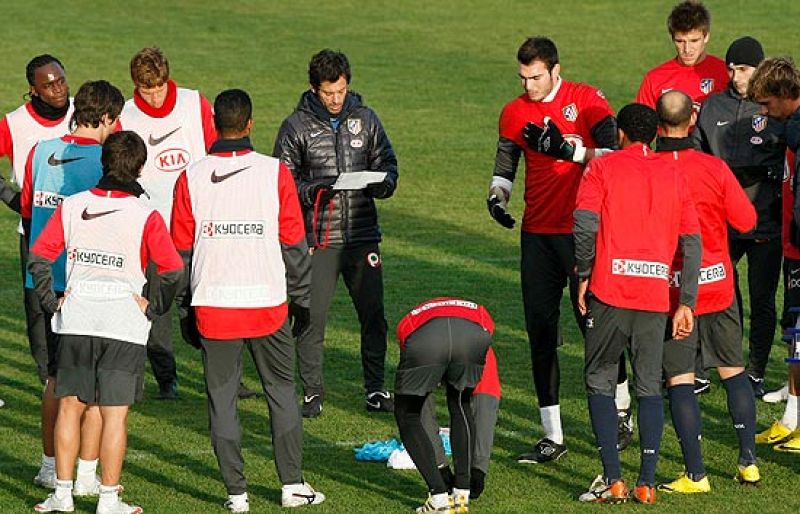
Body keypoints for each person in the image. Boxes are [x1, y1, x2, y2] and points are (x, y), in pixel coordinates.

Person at [172, 89, 325, 511]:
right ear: (251, 123)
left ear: (215, 126)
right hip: (268, 305)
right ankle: (292, 486)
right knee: (281, 393)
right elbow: (295, 243)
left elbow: (179, 252)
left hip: (214, 307)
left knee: (221, 400)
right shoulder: (274, 173)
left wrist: (186, 307)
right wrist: (302, 299)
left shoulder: (191, 176)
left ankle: (236, 495)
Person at [29, 130, 182, 514]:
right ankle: (108, 499)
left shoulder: (72, 205)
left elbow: (39, 258)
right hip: (122, 324)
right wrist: (153, 307)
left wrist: (51, 301)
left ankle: (62, 495)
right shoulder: (146, 214)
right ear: (141, 168)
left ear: (103, 163)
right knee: (114, 413)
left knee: (69, 406)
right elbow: (173, 269)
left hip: (77, 318)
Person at [486, 36, 619, 463]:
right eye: (523, 78)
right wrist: (496, 197)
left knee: (595, 328)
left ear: (555, 71)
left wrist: (570, 150)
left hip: (584, 233)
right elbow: (506, 163)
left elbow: (617, 155)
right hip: (537, 236)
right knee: (540, 333)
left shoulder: (587, 101)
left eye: (536, 77)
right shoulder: (514, 111)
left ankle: (621, 412)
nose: (529, 86)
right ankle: (552, 434)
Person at [574, 103, 701, 504]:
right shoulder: (674, 174)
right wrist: (687, 302)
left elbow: (583, 223)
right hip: (653, 298)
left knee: (600, 380)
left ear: (620, 133)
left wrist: (582, 273)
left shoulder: (602, 168)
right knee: (649, 386)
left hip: (609, 294)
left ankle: (612, 478)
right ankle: (646, 482)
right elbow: (693, 242)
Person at [273, 49, 398, 417]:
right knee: (312, 317)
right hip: (320, 239)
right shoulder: (295, 127)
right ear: (314, 89)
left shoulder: (367, 119)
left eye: (340, 91)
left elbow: (388, 164)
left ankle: (375, 389)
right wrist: (312, 192)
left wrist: (383, 184)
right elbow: (283, 182)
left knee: (373, 316)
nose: (335, 99)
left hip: (362, 235)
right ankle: (313, 392)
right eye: (328, 93)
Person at [20, 80, 124, 493]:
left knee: (53, 379)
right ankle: (84, 473)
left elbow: (28, 209)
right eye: (113, 121)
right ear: (103, 119)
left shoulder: (40, 152)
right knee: (90, 384)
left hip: (39, 278)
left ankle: (49, 466)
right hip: (85, 282)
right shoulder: (105, 161)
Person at [654, 91, 760, 493]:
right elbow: (747, 220)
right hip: (718, 284)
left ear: (658, 124)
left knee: (680, 379)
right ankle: (748, 462)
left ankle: (696, 475)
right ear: (693, 117)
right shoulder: (713, 168)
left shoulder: (651, 170)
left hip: (673, 291)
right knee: (734, 371)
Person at [118, 47, 216, 400]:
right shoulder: (124, 117)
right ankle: (167, 380)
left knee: (207, 304)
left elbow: (216, 153)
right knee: (157, 309)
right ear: (135, 86)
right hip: (153, 230)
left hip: (199, 226)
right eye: (148, 90)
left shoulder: (194, 104)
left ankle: (221, 375)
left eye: (159, 87)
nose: (156, 96)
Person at [691, 37, 786, 398]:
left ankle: (757, 370)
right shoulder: (712, 107)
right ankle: (705, 368)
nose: (735, 75)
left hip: (765, 222)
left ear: (759, 68)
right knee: (717, 294)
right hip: (720, 225)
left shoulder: (773, 109)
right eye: (731, 69)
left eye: (743, 69)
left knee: (762, 298)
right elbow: (697, 158)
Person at [0, 55, 74, 401]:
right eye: (49, 84)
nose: (58, 88)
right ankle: (49, 379)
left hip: (81, 226)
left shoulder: (82, 113)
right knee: (37, 307)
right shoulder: (14, 123)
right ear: (34, 90)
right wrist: (12, 199)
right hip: (35, 228)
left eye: (61, 79)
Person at [394, 298, 493, 513]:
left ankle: (438, 497)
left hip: (425, 339)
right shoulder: (479, 313)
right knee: (461, 402)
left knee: (407, 414)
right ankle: (462, 492)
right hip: (474, 335)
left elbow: (409, 348)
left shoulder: (408, 322)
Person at [747, 57, 800, 452]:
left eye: (766, 105)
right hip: (791, 244)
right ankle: (793, 418)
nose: (764, 113)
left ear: (784, 96)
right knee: (796, 333)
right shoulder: (791, 130)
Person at [422, 345, 500, 502]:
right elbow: (486, 395)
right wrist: (479, 467)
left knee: (417, 396)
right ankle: (468, 478)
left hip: (427, 341)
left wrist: (439, 468)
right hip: (469, 340)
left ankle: (448, 476)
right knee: (463, 401)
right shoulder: (479, 327)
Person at [635, 1, 728, 111]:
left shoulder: (725, 73)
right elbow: (641, 124)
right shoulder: (654, 79)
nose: (687, 49)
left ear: (706, 36)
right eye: (680, 41)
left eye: (694, 41)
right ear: (672, 38)